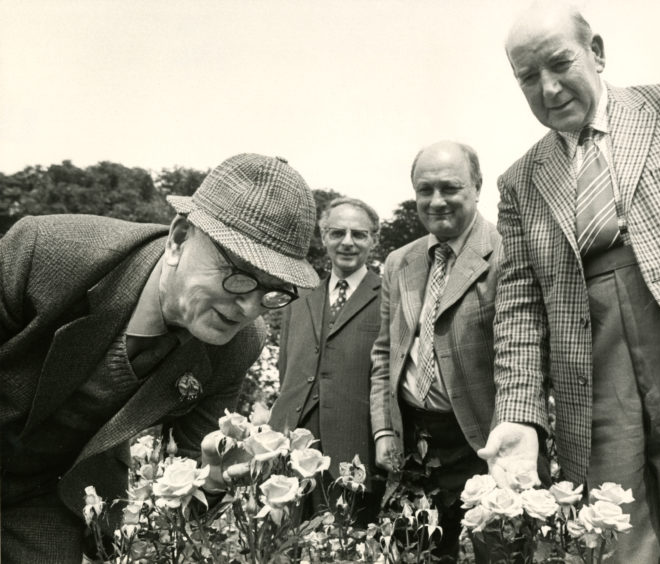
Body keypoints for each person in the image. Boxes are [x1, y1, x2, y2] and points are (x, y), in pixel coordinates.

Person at [478, 4, 660, 561]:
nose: (548, 89)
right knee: (615, 529)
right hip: (594, 374)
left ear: (595, 52)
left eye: (559, 64)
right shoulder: (520, 181)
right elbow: (520, 310)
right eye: (529, 77)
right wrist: (520, 416)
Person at [0, 153, 320, 563]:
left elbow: (196, 469)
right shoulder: (45, 253)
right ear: (180, 237)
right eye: (238, 274)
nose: (248, 308)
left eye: (272, 292)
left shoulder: (237, 345)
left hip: (47, 497)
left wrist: (216, 479)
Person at [370, 140, 502, 562]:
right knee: (414, 555)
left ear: (477, 187)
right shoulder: (399, 262)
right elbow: (384, 354)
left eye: (450, 188)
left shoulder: (507, 253)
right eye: (424, 190)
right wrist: (384, 430)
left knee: (491, 552)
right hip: (412, 441)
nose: (436, 201)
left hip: (481, 439)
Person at [269, 197, 382, 523]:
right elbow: (285, 368)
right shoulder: (300, 296)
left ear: (373, 239)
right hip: (288, 450)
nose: (347, 242)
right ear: (323, 237)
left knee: (345, 549)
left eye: (358, 234)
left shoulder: (389, 296)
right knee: (281, 548)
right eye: (337, 233)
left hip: (352, 450)